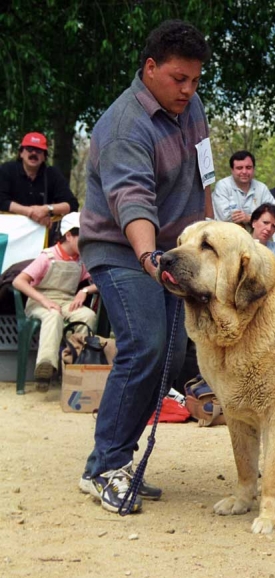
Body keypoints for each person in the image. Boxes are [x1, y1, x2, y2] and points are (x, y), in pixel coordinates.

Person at [77, 20, 212, 513]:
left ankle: (119, 458)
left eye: (196, 80)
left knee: (173, 358)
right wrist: (150, 258)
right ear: (150, 67)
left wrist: (209, 239)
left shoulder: (191, 106)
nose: (188, 90)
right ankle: (103, 467)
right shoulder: (123, 126)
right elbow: (132, 201)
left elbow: (205, 176)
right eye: (179, 78)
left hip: (173, 248)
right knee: (145, 343)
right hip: (120, 248)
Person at [12, 212, 97, 392]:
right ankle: (45, 368)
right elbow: (18, 281)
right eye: (82, 236)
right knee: (54, 315)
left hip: (67, 301)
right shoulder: (48, 256)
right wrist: (44, 300)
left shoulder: (81, 261)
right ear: (68, 235)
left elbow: (100, 282)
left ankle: (75, 366)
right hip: (40, 301)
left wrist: (84, 290)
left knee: (88, 315)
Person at [0, 132, 78, 226]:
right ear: (21, 153)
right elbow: (1, 200)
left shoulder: (52, 174)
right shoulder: (7, 170)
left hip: (41, 234)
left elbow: (71, 204)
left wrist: (46, 209)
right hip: (9, 231)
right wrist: (29, 212)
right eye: (29, 149)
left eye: (39, 151)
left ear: (44, 156)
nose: (34, 153)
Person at [212, 150, 275, 230]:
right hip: (227, 236)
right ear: (232, 170)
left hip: (256, 238)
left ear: (253, 169)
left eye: (248, 168)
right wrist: (258, 219)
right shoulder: (223, 186)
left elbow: (272, 215)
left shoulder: (262, 188)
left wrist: (249, 218)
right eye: (239, 168)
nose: (244, 172)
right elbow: (225, 218)